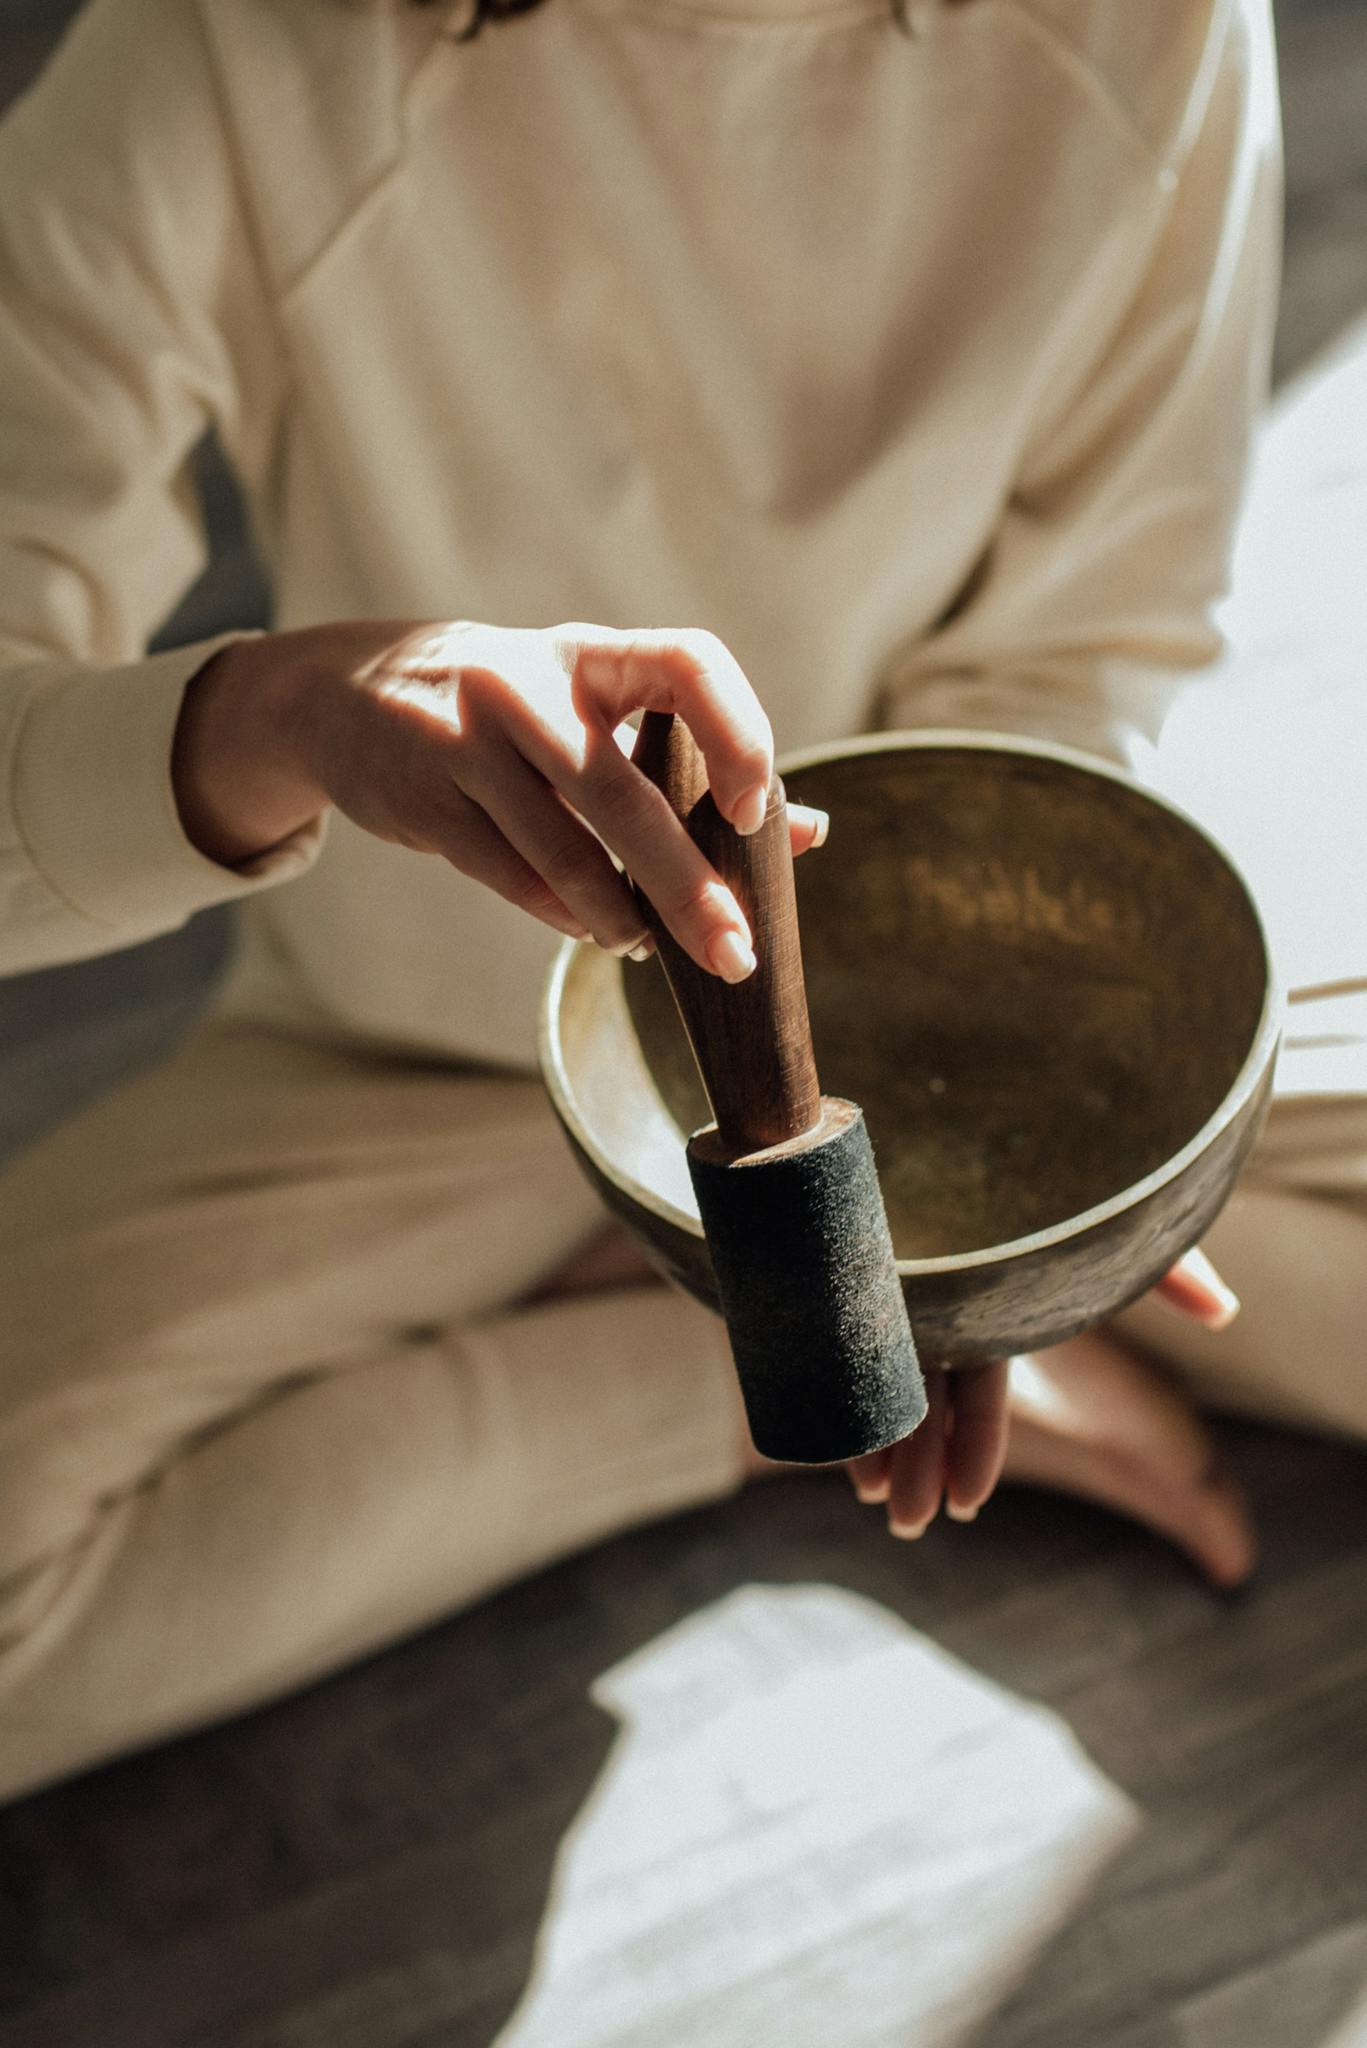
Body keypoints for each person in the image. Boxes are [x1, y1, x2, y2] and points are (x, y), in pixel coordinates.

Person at [0, 0, 1326, 1806]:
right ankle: (714, 1376)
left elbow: (1088, 636)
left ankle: (759, 1323)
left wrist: (947, 1222)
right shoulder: (243, 49)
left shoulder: (1149, 31)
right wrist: (285, 710)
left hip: (943, 1040)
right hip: (416, 1062)